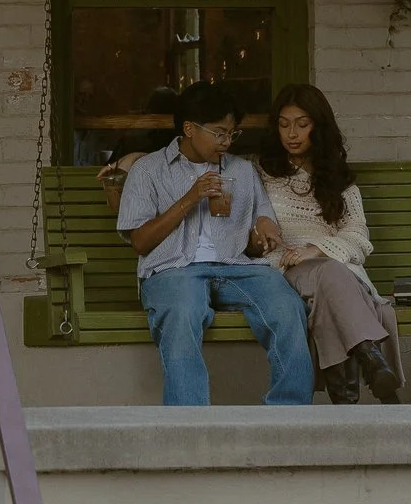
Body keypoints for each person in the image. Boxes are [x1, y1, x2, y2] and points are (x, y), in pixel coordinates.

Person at [113, 81, 317, 406]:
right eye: (219, 133)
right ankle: (190, 424)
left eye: (232, 134)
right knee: (183, 311)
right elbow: (140, 242)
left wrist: (260, 237)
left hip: (237, 268)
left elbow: (259, 227)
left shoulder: (242, 170)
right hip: (173, 271)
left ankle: (289, 414)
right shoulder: (148, 171)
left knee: (287, 306)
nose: (226, 142)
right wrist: (190, 198)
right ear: (190, 128)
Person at [256, 83, 402, 404]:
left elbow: (358, 238)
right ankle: (371, 358)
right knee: (332, 276)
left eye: (302, 124)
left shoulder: (338, 179)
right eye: (283, 124)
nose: (291, 133)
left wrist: (317, 250)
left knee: (330, 290)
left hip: (332, 277)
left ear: (318, 127)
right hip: (286, 271)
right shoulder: (263, 174)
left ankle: (345, 403)